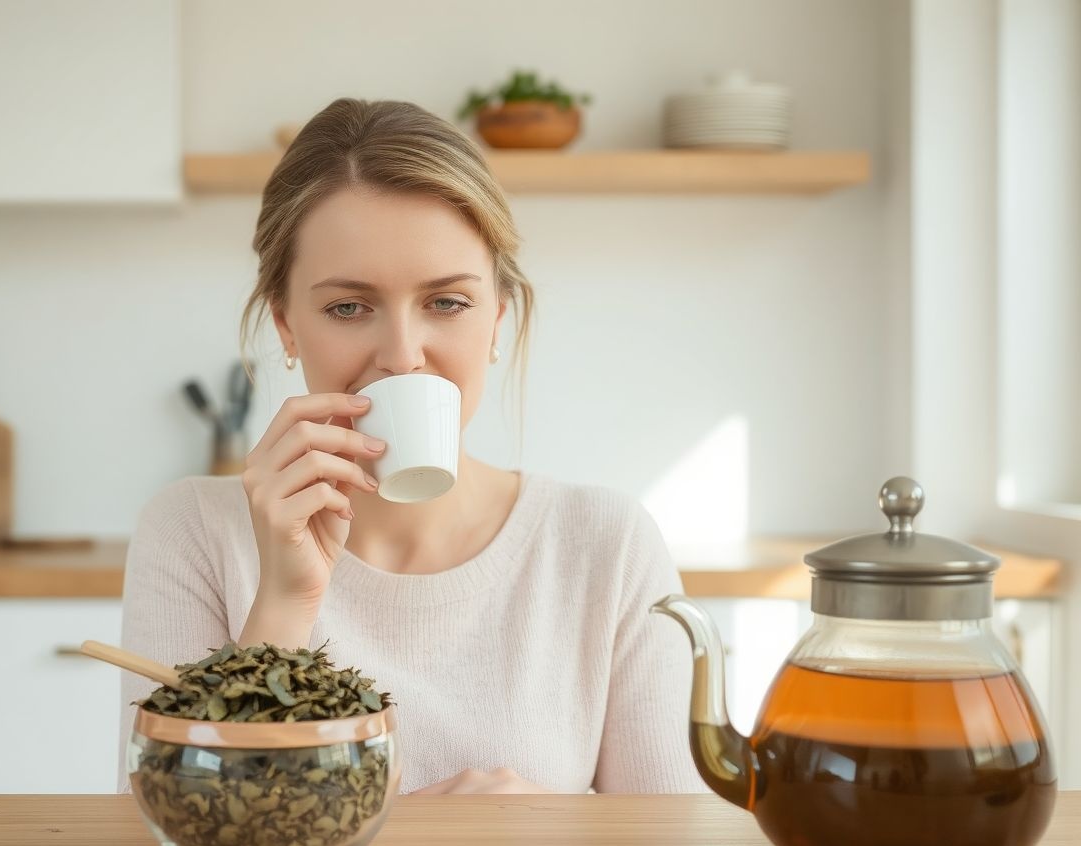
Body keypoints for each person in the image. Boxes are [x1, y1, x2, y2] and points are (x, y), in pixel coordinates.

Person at [118, 97, 701, 796]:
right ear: (286, 326)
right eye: (348, 307)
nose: (401, 355)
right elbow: (172, 832)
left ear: (496, 321)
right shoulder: (192, 531)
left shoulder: (607, 544)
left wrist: (543, 833)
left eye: (446, 303)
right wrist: (285, 601)